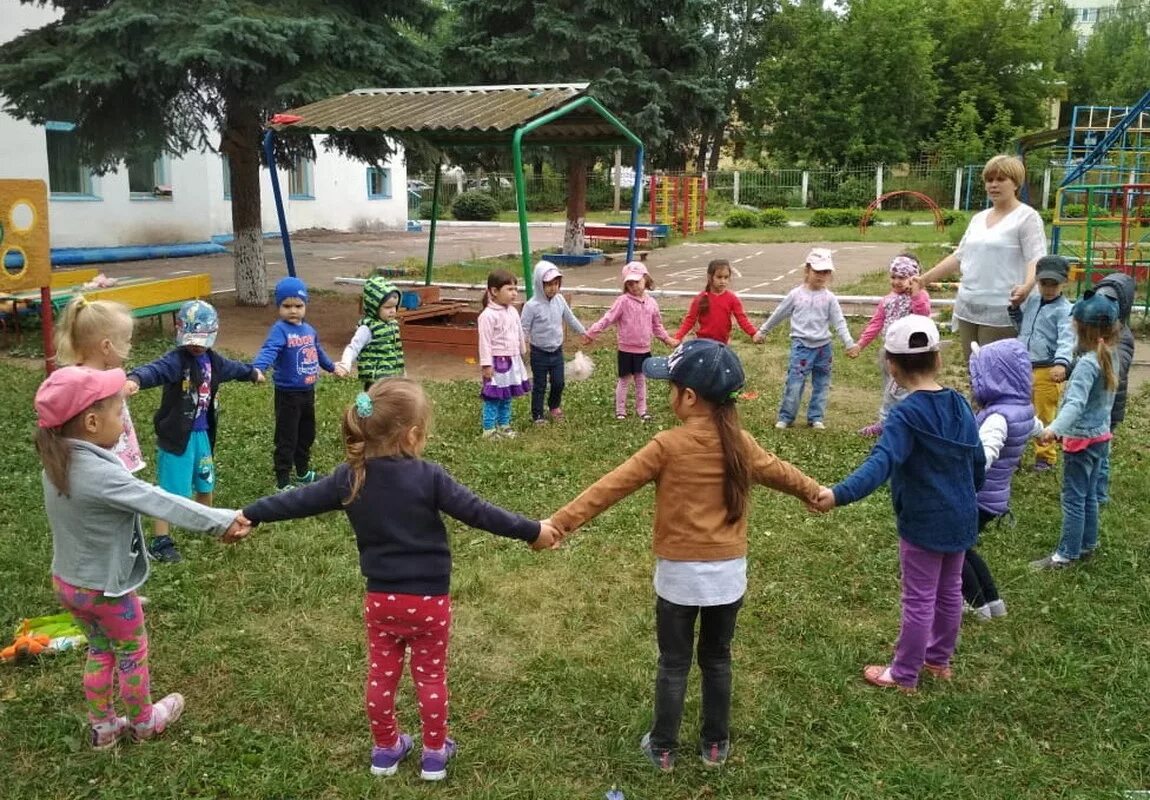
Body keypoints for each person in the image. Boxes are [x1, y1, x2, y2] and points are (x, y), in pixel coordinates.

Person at [240, 379, 558, 781]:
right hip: (429, 604)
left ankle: (386, 750)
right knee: (430, 676)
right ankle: (434, 754)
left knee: (381, 675)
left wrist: (252, 513)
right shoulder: (429, 477)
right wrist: (533, 530)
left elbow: (295, 501)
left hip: (381, 602)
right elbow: (481, 512)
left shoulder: (348, 478)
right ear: (412, 435)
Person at [547, 340, 823, 771]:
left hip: (678, 579)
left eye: (671, 387)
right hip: (728, 579)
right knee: (717, 658)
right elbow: (780, 471)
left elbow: (610, 487)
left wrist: (559, 524)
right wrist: (815, 492)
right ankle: (715, 744)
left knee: (673, 663)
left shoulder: (667, 445)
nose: (669, 393)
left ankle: (662, 748)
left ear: (689, 397)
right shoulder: (741, 443)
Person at [34, 366, 249, 750]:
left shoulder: (57, 459)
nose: (124, 422)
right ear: (92, 421)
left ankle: (103, 728)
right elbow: (158, 500)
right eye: (120, 414)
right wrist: (221, 520)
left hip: (68, 584)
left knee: (101, 650)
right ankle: (144, 722)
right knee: (132, 651)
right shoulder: (99, 475)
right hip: (106, 591)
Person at [814, 316, 985, 691]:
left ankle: (905, 674)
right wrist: (970, 494)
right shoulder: (959, 403)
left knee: (920, 599)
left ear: (891, 364)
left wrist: (838, 493)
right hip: (961, 516)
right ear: (938, 359)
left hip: (923, 523)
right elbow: (978, 460)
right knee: (950, 591)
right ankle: (938, 660)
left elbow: (881, 464)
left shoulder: (905, 414)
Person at [125, 300, 264, 563]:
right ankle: (160, 541)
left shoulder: (214, 361)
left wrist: (252, 373)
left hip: (202, 435)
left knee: (205, 480)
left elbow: (234, 368)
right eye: (191, 339)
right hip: (177, 437)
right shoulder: (177, 361)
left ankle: (206, 522)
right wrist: (135, 379)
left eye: (201, 340)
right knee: (169, 491)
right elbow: (156, 370)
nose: (196, 345)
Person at [915, 154, 1047, 363]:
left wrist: (1027, 286)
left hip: (1003, 311)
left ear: (1016, 184)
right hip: (969, 307)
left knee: (996, 375)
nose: (993, 185)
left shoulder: (1027, 217)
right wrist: (924, 280)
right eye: (989, 180)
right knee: (975, 372)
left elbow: (1037, 258)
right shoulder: (978, 219)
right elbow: (960, 256)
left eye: (1000, 179)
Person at [1031, 291, 1121, 569]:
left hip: (1081, 441)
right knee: (1091, 495)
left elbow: (1075, 405)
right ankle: (1087, 544)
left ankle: (1066, 554)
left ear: (1083, 330)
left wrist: (1053, 429)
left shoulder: (1085, 365)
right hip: (1100, 437)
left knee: (1073, 499)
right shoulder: (1110, 355)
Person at [964, 339, 1043, 620]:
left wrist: (961, 480)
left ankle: (976, 605)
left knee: (953, 552)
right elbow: (1037, 428)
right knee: (965, 548)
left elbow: (984, 455)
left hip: (977, 497)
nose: (973, 382)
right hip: (995, 498)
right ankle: (994, 602)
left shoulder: (997, 418)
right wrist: (1047, 433)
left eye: (977, 376)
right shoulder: (1022, 411)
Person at [253, 277, 342, 491]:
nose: (293, 311)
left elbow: (317, 351)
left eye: (298, 306)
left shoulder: (309, 330)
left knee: (306, 434)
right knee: (287, 437)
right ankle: (283, 480)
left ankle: (302, 472)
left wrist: (331, 367)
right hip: (287, 395)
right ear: (279, 306)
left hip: (307, 392)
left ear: (305, 306)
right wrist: (257, 368)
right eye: (287, 306)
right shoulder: (280, 330)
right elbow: (269, 350)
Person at [754, 247, 856, 430]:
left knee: (822, 384)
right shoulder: (796, 295)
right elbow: (779, 313)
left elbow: (839, 322)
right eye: (817, 271)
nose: (821, 276)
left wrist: (849, 343)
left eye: (826, 272)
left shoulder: (830, 299)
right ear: (807, 270)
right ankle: (786, 417)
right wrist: (763, 330)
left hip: (823, 348)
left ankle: (816, 417)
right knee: (794, 383)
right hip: (801, 346)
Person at [54, 295, 146, 473]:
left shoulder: (85, 375)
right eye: (126, 341)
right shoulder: (88, 382)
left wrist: (122, 389)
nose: (129, 347)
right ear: (106, 346)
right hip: (102, 459)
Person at [847, 254, 932, 437]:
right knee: (889, 388)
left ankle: (888, 423)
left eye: (902, 277)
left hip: (907, 354)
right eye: (893, 277)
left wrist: (916, 294)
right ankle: (896, 421)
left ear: (913, 278)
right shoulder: (888, 299)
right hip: (888, 353)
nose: (896, 282)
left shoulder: (919, 296)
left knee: (898, 390)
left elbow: (923, 315)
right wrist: (860, 344)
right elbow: (876, 323)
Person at [582, 261, 676, 422]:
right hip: (626, 349)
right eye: (630, 283)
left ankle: (642, 410)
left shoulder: (652, 303)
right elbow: (608, 318)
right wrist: (592, 333)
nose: (634, 286)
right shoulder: (623, 301)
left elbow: (657, 325)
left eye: (637, 282)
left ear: (646, 279)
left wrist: (667, 339)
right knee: (624, 380)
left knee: (641, 380)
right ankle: (620, 410)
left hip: (644, 349)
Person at [1008, 254, 1074, 472]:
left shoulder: (1065, 310)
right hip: (1025, 366)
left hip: (1048, 370)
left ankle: (1045, 457)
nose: (1048, 289)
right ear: (1037, 282)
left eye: (1053, 284)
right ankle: (1013, 453)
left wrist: (1062, 363)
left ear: (1064, 282)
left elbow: (1067, 339)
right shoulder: (1034, 301)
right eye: (1044, 283)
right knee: (1019, 411)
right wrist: (1015, 310)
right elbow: (1024, 329)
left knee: (1044, 414)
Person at [520, 260, 587, 424]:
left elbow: (570, 318)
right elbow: (524, 328)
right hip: (539, 353)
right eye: (548, 284)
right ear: (539, 284)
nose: (553, 288)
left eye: (556, 283)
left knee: (559, 382)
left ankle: (554, 406)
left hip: (557, 351)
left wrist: (584, 332)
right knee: (540, 385)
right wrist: (520, 346)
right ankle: (537, 415)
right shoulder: (531, 306)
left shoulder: (560, 300)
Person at [1093, 272, 1136, 504]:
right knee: (1094, 448)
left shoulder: (1123, 337)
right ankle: (1093, 486)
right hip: (1094, 404)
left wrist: (1097, 359)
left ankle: (1100, 493)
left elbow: (1117, 369)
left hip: (1109, 407)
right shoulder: (1096, 332)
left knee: (1102, 452)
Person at [478, 269, 531, 438]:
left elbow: (518, 332)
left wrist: (522, 351)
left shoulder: (513, 311)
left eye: (516, 289)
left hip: (513, 359)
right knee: (493, 395)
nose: (514, 293)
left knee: (507, 394)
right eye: (509, 289)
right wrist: (486, 364)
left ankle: (504, 424)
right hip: (496, 362)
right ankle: (489, 429)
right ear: (494, 291)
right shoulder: (487, 316)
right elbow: (484, 342)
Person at [337, 275, 405, 392]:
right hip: (375, 381)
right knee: (374, 407)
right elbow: (353, 347)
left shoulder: (393, 325)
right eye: (387, 307)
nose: (392, 310)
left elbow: (396, 352)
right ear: (374, 307)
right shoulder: (367, 328)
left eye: (395, 306)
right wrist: (345, 364)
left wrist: (402, 375)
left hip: (392, 379)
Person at [670, 259, 758, 346]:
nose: (723, 281)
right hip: (702, 344)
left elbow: (742, 319)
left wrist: (753, 334)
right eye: (719, 277)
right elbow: (690, 320)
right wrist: (678, 337)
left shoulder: (732, 299)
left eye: (726, 277)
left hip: (722, 345)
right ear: (710, 277)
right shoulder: (700, 298)